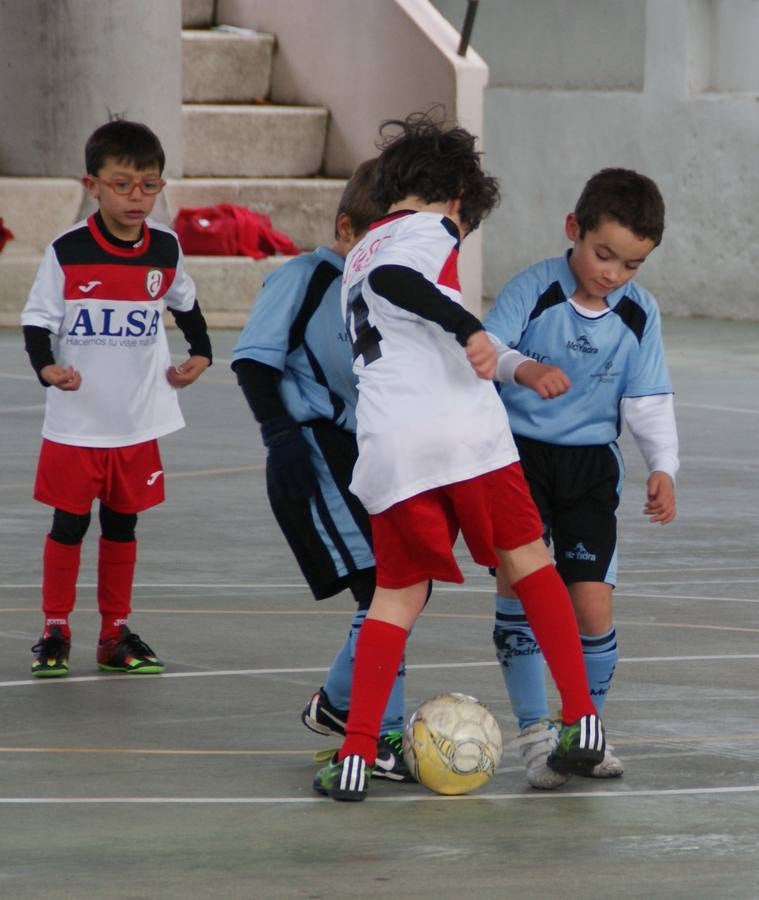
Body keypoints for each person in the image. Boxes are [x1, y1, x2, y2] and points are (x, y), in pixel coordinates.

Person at [313, 111, 606, 802]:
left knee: (396, 595)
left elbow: (414, 324)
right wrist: (471, 323)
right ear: (454, 201)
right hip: (462, 437)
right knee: (529, 558)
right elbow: (401, 284)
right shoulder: (423, 232)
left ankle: (356, 753)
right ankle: (583, 719)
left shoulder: (356, 253)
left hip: (391, 446)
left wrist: (515, 366)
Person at [484, 167, 678, 788]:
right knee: (520, 591)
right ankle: (535, 733)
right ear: (574, 229)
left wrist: (664, 468)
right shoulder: (534, 289)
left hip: (592, 467)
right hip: (517, 460)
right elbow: (486, 348)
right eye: (603, 255)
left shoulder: (639, 314)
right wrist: (525, 372)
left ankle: (584, 725)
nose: (613, 274)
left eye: (631, 265)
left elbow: (649, 401)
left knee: (591, 603)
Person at [231, 160, 412, 782]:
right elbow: (254, 362)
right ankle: (372, 723)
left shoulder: (383, 289)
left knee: (402, 583)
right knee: (386, 585)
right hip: (313, 448)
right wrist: (281, 440)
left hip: (364, 453)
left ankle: (343, 705)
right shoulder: (307, 277)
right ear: (346, 228)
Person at [21, 119, 212, 677]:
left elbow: (187, 306)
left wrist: (200, 352)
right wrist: (47, 368)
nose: (136, 197)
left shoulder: (166, 249)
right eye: (123, 184)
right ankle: (55, 628)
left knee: (123, 527)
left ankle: (113, 634)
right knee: (69, 525)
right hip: (78, 424)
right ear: (93, 185)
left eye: (149, 185)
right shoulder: (68, 250)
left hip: (136, 421)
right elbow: (36, 322)